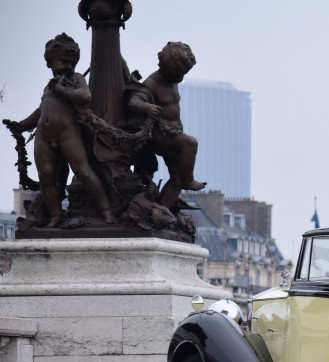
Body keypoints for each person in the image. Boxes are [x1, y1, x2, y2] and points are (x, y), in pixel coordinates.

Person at [3, 33, 115, 227]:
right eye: (64, 62)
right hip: (43, 137)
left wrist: (64, 90)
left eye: (72, 63)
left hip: (68, 133)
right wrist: (21, 125)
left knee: (83, 170)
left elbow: (85, 96)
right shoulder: (48, 87)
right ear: (50, 62)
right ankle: (56, 215)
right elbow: (40, 111)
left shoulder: (75, 79)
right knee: (46, 176)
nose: (69, 67)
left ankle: (106, 211)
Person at [127, 42, 205, 209]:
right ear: (169, 69)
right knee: (191, 143)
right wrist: (148, 107)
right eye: (179, 73)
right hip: (160, 136)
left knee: (177, 179)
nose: (181, 77)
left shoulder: (173, 82)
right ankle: (189, 180)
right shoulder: (152, 82)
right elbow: (133, 101)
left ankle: (162, 211)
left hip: (174, 134)